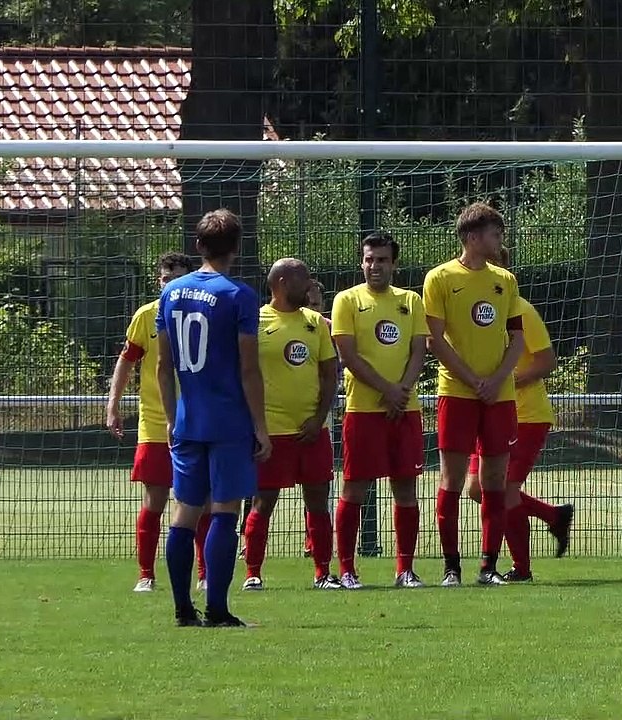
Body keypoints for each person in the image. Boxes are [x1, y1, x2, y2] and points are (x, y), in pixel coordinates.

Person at [156, 208, 271, 628]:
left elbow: (162, 366)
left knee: (184, 513)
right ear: (236, 249)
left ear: (199, 245)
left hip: (188, 418)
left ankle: (183, 609)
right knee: (225, 511)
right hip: (228, 420)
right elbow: (248, 368)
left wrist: (172, 417)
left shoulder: (172, 293)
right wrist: (260, 426)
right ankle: (218, 610)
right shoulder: (239, 295)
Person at [423, 202, 525, 586]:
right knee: (450, 479)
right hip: (457, 392)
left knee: (494, 480)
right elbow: (434, 340)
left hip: (499, 395)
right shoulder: (440, 278)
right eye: (495, 234)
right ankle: (451, 567)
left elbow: (516, 338)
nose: (500, 241)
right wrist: (471, 378)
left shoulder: (505, 280)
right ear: (472, 237)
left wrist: (497, 379)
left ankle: (488, 567)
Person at [105, 252, 214, 594]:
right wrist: (113, 406)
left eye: (177, 279)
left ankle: (205, 573)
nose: (171, 286)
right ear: (159, 281)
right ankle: (145, 574)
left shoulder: (203, 313)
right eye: (166, 279)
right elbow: (126, 363)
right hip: (154, 424)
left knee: (202, 501)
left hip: (197, 422)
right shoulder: (146, 316)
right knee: (155, 499)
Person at [464, 246, 574, 582]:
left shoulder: (522, 311)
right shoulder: (476, 312)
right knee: (476, 489)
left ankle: (520, 569)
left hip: (526, 415)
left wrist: (506, 382)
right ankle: (553, 515)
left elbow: (546, 361)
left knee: (505, 488)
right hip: (490, 413)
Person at [331, 231, 429, 589]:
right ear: (362, 261)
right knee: (354, 489)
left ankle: (405, 570)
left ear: (394, 264)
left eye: (382, 260)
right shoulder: (346, 300)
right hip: (363, 410)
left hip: (405, 409)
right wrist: (388, 390)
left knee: (405, 490)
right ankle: (346, 570)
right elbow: (348, 355)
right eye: (369, 259)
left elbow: (419, 349)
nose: (375, 266)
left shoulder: (411, 301)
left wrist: (401, 392)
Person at [242, 258, 340, 591]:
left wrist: (319, 417)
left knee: (317, 501)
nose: (310, 286)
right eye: (304, 280)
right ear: (282, 283)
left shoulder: (316, 323)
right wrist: (256, 426)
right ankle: (252, 573)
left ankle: (323, 573)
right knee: (263, 502)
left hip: (312, 431)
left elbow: (330, 374)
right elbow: (244, 375)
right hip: (271, 433)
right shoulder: (254, 321)